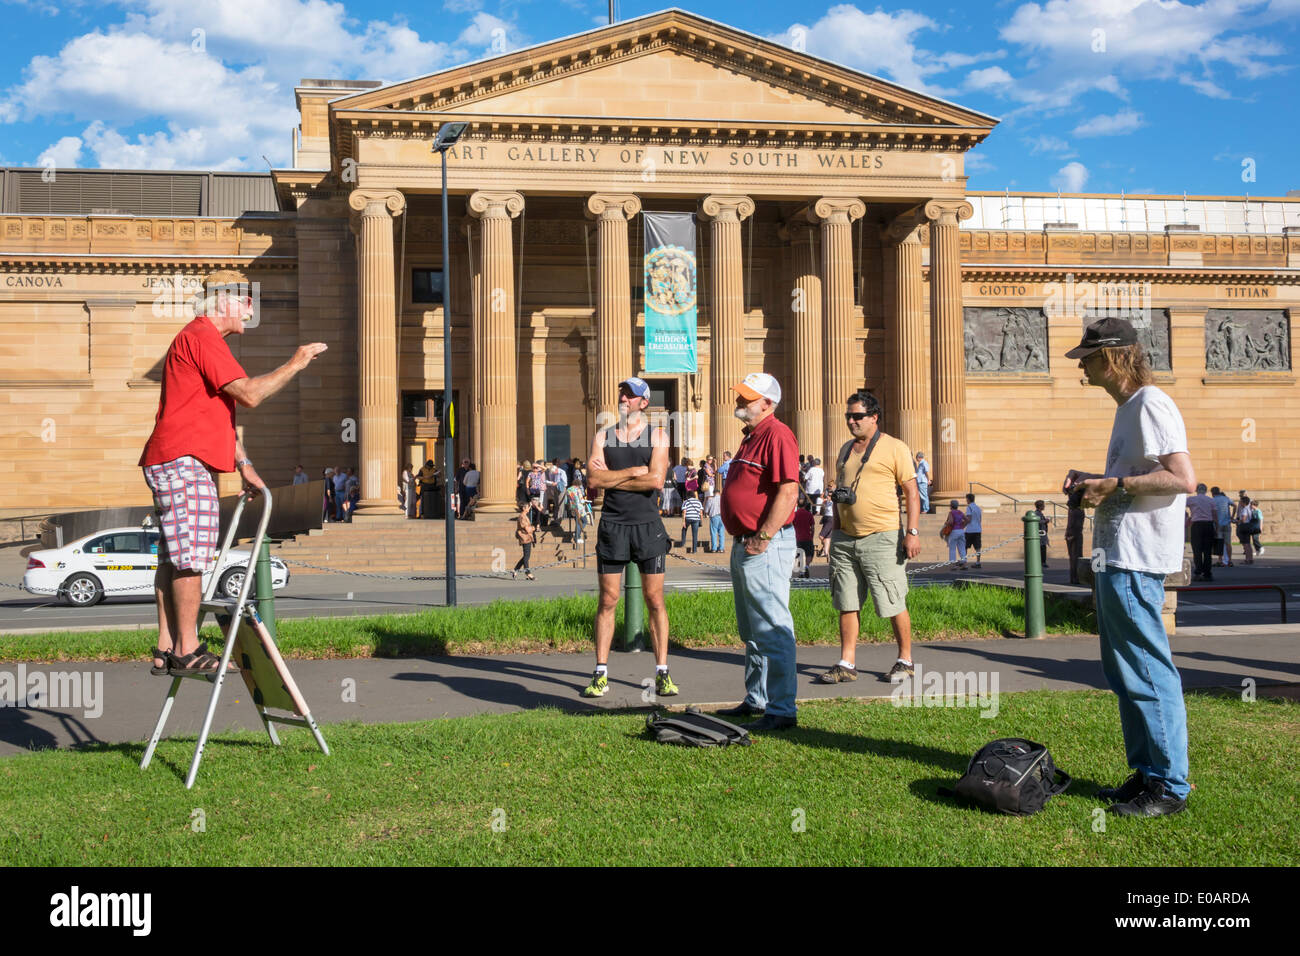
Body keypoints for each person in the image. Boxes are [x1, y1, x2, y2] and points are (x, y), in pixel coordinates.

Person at [139, 269, 326, 676]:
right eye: (245, 300)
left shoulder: (200, 339)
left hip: (176, 456)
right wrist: (296, 362)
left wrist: (244, 465)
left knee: (175, 555)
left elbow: (219, 414)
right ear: (223, 301)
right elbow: (250, 394)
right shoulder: (203, 336)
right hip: (184, 458)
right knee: (190, 557)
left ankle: (166, 647)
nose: (251, 308)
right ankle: (188, 648)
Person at [1063, 315, 1196, 817]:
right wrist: (1096, 480)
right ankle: (1146, 773)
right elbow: (1140, 475)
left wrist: (1114, 486)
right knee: (1125, 671)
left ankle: (1169, 786)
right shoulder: (1129, 408)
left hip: (1137, 559)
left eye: (1089, 358)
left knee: (1146, 667)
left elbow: (1182, 478)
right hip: (1118, 555)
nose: (1084, 367)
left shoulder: (1151, 403)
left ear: (1115, 356)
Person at [715, 373, 801, 731]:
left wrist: (762, 536)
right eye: (740, 396)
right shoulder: (752, 438)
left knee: (773, 626)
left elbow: (788, 491)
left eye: (747, 398)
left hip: (764, 543)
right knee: (751, 629)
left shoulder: (777, 434)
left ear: (767, 404)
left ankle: (782, 709)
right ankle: (758, 699)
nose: (739, 402)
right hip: (746, 543)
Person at [816, 391, 921, 685]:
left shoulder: (895, 448)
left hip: (882, 536)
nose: (851, 421)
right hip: (845, 538)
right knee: (846, 601)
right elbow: (840, 490)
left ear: (874, 417)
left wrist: (911, 532)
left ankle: (905, 660)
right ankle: (846, 663)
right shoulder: (845, 449)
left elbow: (912, 492)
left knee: (892, 599)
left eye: (858, 416)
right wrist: (835, 529)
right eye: (848, 416)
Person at [582, 377, 678, 699]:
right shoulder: (603, 435)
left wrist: (614, 478)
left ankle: (662, 673)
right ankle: (600, 673)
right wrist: (631, 472)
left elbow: (655, 480)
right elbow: (593, 479)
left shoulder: (658, 435)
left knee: (654, 599)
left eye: (630, 395)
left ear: (643, 402)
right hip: (612, 524)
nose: (623, 397)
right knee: (608, 600)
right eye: (622, 392)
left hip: (647, 525)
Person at [1186, 483, 1216, 581]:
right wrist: (1217, 527)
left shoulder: (1191, 499)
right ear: (1206, 490)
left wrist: (1188, 517)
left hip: (1197, 525)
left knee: (1197, 550)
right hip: (1208, 525)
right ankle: (1207, 573)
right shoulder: (1211, 500)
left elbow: (1181, 505)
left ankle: (1198, 572)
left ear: (1196, 490)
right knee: (1207, 551)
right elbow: (1215, 515)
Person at [1065, 492, 1086, 585]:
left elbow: (1072, 523)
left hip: (1071, 534)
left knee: (1073, 557)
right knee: (1076, 557)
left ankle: (1074, 578)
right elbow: (1076, 525)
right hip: (1075, 535)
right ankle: (1076, 578)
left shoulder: (1072, 510)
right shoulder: (1078, 511)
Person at [941, 499, 967, 570]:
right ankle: (964, 564)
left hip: (954, 531)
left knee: (952, 548)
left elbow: (951, 522)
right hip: (961, 531)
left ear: (951, 506)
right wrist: (963, 526)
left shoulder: (951, 512)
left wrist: (946, 523)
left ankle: (954, 565)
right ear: (957, 506)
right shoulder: (960, 512)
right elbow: (967, 520)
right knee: (962, 547)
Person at [1211, 486, 1233, 567]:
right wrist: (1232, 517)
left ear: (1212, 493)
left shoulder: (1213, 500)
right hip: (1227, 523)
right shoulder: (1226, 498)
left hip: (1218, 524)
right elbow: (1235, 505)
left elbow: (1213, 512)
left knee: (1220, 543)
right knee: (1228, 543)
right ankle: (1229, 560)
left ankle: (1220, 560)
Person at [513, 501, 535, 580]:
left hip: (527, 537)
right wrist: (533, 528)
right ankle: (528, 573)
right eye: (528, 507)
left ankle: (515, 570)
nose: (529, 508)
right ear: (523, 508)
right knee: (526, 556)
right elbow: (527, 529)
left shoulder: (524, 515)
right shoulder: (522, 516)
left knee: (526, 556)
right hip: (525, 537)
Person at [792, 499, 815, 577]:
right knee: (809, 554)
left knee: (800, 555)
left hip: (798, 538)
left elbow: (792, 526)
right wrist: (812, 536)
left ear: (797, 505)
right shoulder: (809, 514)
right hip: (807, 537)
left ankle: (801, 572)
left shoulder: (794, 514)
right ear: (805, 505)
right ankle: (807, 566)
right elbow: (812, 527)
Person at [964, 492, 983, 568]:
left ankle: (964, 562)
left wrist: (963, 525)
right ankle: (978, 562)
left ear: (968, 499)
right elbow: (980, 519)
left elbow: (968, 519)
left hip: (970, 530)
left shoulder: (969, 507)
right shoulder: (978, 508)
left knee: (965, 547)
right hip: (978, 529)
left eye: (966, 499)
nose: (966, 501)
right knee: (978, 547)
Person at [1235, 495, 1256, 563]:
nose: (1240, 503)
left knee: (1245, 544)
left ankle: (1247, 559)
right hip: (1249, 526)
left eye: (1241, 502)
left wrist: (1236, 521)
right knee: (1248, 544)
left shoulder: (1244, 509)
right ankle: (1250, 558)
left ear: (1244, 502)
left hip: (1244, 526)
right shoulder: (1250, 508)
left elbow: (1243, 519)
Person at [705, 481, 724, 553]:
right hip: (722, 517)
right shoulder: (723, 499)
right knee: (721, 532)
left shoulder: (710, 499)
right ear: (719, 493)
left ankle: (714, 548)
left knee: (713, 532)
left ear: (713, 493)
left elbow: (707, 509)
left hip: (713, 516)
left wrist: (706, 513)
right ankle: (721, 548)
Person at [1033, 499, 1051, 567]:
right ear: (1040, 506)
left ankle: (1043, 562)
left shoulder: (1039, 513)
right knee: (1042, 548)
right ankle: (1042, 562)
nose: (1044, 506)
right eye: (1043, 505)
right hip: (1040, 534)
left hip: (1042, 533)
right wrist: (1045, 521)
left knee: (1043, 548)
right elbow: (1037, 521)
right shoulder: (1036, 513)